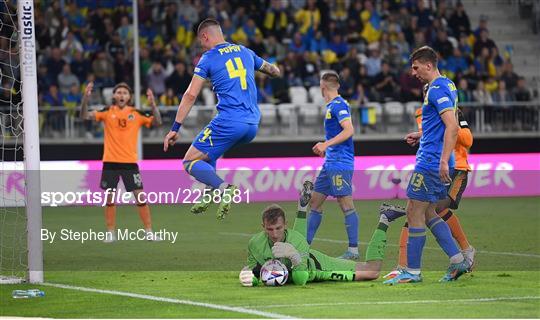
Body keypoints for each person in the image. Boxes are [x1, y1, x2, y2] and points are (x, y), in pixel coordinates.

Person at [163, 18, 280, 219]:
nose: (201, 45)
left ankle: (224, 188)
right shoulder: (245, 51)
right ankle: (209, 192)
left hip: (229, 120)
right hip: (252, 124)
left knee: (189, 161)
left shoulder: (208, 58)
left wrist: (175, 127)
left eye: (201, 41)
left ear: (205, 36)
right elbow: (273, 71)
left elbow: (191, 94)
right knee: (210, 153)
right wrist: (269, 71)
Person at [384, 46, 470, 285]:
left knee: (414, 211)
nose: (413, 73)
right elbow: (442, 126)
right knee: (429, 212)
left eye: (415, 67)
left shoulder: (437, 89)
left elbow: (453, 127)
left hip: (431, 162)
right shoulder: (448, 85)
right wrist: (421, 134)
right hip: (433, 156)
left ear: (428, 65)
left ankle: (412, 271)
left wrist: (443, 160)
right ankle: (457, 260)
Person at [239, 182, 395, 287]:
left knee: (372, 271)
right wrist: (248, 277)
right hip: (294, 263)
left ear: (285, 225)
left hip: (317, 267)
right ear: (263, 227)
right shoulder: (255, 243)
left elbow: (301, 281)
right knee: (296, 243)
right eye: (270, 229)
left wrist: (295, 257)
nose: (274, 234)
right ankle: (301, 207)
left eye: (278, 228)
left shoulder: (297, 240)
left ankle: (385, 219)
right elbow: (255, 272)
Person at [382, 107, 476, 279]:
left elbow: (467, 139)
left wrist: (451, 125)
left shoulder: (454, 111)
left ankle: (408, 267)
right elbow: (429, 134)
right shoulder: (423, 111)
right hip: (436, 165)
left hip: (455, 168)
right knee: (424, 211)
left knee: (421, 211)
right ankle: (461, 255)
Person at [80, 82, 162, 242]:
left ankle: (149, 232)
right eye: (119, 92)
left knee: (140, 197)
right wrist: (85, 99)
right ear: (114, 96)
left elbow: (157, 122)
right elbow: (84, 115)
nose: (122, 95)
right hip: (110, 162)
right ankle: (110, 233)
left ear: (129, 97)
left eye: (125, 92)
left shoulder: (137, 113)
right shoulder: (106, 112)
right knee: (110, 198)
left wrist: (153, 105)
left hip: (130, 163)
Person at [306, 72, 358, 260]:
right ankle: (304, 247)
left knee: (345, 203)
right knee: (314, 202)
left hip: (340, 163)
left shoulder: (339, 105)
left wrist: (325, 145)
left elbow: (349, 129)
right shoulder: (332, 106)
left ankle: (353, 251)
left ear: (323, 87)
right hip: (330, 162)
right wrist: (328, 149)